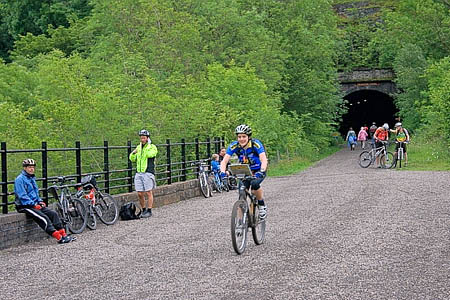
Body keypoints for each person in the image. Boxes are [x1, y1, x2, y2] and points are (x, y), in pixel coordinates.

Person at [14, 159, 74, 244]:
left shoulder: (32, 178)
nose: (31, 169)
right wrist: (33, 204)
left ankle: (64, 235)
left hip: (35, 204)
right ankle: (59, 237)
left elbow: (35, 193)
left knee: (53, 214)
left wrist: (39, 201)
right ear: (25, 168)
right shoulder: (19, 180)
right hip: (24, 206)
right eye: (29, 167)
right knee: (43, 218)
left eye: (33, 167)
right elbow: (22, 196)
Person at [220, 124, 268, 219]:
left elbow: (263, 159)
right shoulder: (234, 145)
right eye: (239, 137)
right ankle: (240, 223)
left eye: (244, 137)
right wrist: (222, 173)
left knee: (254, 184)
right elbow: (224, 161)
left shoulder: (255, 144)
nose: (241, 139)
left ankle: (262, 206)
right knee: (242, 193)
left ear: (249, 137)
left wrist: (262, 171)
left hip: (258, 169)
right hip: (245, 170)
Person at [129, 129, 158, 218]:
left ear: (147, 138)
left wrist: (145, 148)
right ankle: (143, 209)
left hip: (148, 172)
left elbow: (151, 154)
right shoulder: (138, 147)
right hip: (139, 172)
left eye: (144, 138)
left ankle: (149, 210)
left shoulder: (152, 147)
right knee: (140, 193)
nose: (142, 140)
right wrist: (133, 153)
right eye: (141, 138)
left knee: (148, 192)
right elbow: (132, 158)